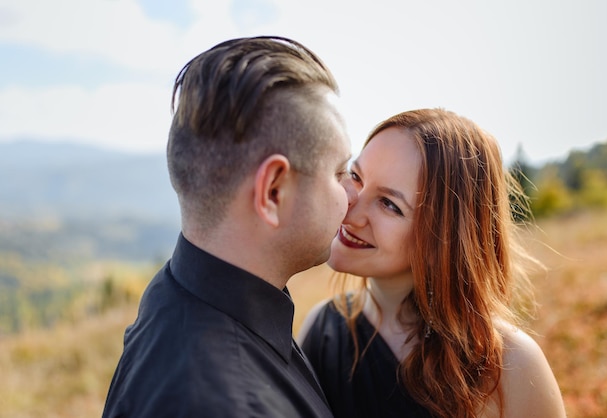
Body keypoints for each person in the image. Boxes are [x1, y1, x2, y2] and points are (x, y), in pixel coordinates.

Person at [102, 36, 353, 418]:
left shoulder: (178, 292)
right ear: (272, 191)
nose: (352, 192)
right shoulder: (231, 404)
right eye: (338, 172)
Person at [298, 109, 567, 418]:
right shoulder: (322, 330)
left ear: (445, 236)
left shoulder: (511, 365)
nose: (350, 209)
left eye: (389, 204)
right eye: (355, 177)